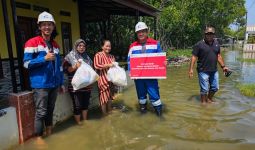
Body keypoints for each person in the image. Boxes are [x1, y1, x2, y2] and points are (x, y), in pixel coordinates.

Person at [23, 11, 64, 144]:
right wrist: (43, 59)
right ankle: (39, 139)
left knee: (50, 110)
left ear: (53, 27)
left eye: (50, 24)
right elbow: (26, 63)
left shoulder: (55, 45)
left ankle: (49, 133)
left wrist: (61, 82)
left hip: (54, 84)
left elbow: (59, 67)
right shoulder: (32, 43)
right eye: (44, 25)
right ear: (39, 27)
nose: (47, 27)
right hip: (40, 84)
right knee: (41, 112)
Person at [127, 22, 163, 117]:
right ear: (136, 33)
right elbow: (129, 61)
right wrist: (131, 71)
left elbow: (161, 59)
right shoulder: (132, 46)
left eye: (143, 31)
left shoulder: (155, 43)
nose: (141, 33)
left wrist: (164, 63)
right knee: (141, 96)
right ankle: (143, 113)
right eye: (138, 32)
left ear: (147, 32)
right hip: (138, 77)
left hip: (151, 76)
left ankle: (160, 116)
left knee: (155, 96)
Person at [189, 26, 229, 105]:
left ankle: (209, 99)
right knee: (204, 89)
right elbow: (194, 57)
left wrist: (223, 67)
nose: (209, 35)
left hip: (214, 70)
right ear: (205, 34)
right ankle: (203, 104)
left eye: (211, 34)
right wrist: (191, 69)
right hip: (203, 70)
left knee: (215, 87)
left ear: (214, 35)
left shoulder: (217, 44)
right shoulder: (199, 44)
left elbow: (218, 56)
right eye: (207, 34)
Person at [63, 39, 93, 125]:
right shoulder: (69, 57)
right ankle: (79, 123)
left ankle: (85, 120)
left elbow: (91, 70)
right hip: (75, 86)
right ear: (76, 46)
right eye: (80, 46)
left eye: (83, 46)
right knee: (77, 105)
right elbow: (66, 70)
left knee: (85, 104)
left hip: (86, 86)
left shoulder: (87, 57)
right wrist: (75, 66)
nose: (82, 47)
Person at [94, 40, 115, 116]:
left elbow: (114, 68)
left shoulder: (112, 56)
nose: (108, 48)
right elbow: (97, 65)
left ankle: (109, 111)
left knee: (110, 97)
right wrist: (108, 65)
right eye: (106, 46)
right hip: (103, 80)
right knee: (103, 98)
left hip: (111, 80)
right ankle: (104, 114)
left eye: (109, 46)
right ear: (102, 47)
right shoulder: (98, 55)